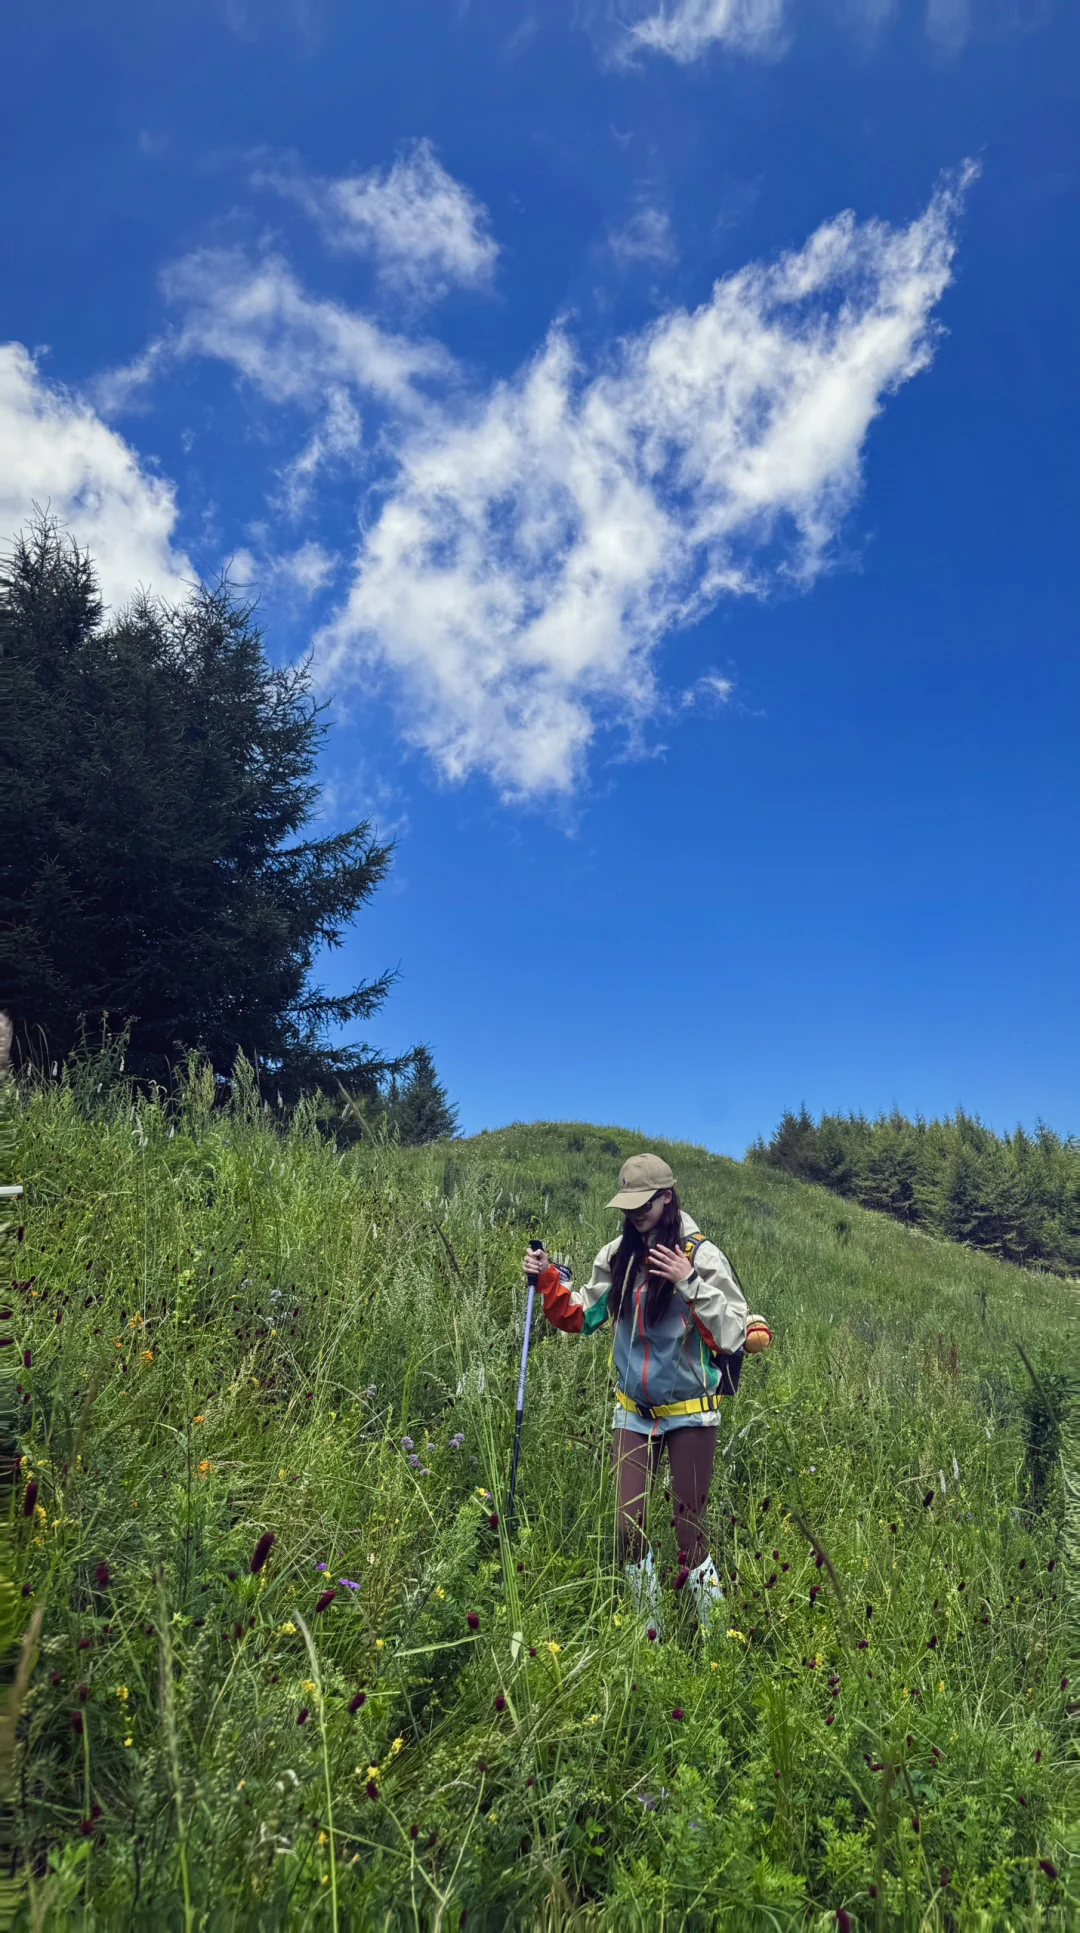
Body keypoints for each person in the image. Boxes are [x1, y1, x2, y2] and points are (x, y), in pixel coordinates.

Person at [524, 1152, 771, 1638]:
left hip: (691, 1413)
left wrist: (688, 1282)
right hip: (633, 1413)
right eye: (628, 1206)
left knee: (689, 1537)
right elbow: (582, 1315)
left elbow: (733, 1334)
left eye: (644, 1205)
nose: (635, 1215)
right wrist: (548, 1277)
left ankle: (718, 1643)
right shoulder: (617, 1255)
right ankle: (650, 1636)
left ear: (667, 1197)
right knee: (628, 1530)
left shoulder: (702, 1256)